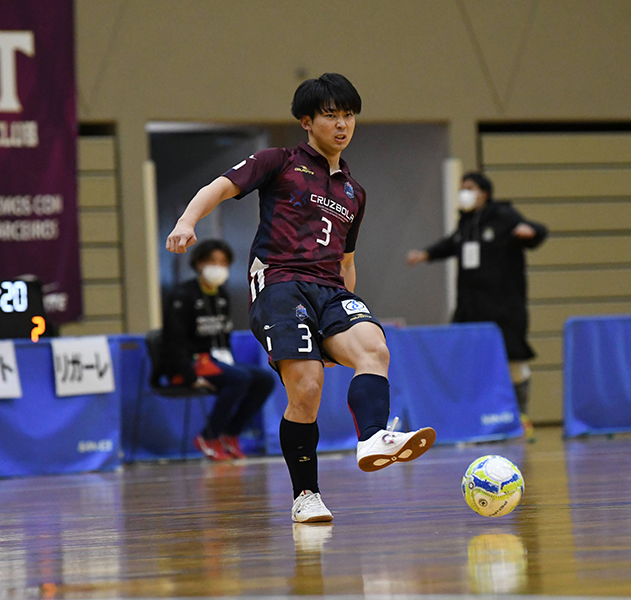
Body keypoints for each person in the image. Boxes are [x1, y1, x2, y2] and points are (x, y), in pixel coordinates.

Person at [166, 73, 436, 523]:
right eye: (331, 115)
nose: (342, 124)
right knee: (307, 388)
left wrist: (337, 326)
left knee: (374, 347)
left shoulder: (354, 192)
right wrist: (186, 221)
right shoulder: (280, 161)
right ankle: (305, 495)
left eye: (348, 115)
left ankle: (373, 437)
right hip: (280, 282)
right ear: (307, 121)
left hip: (331, 290)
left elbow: (347, 261)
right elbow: (220, 186)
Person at [406, 172, 547, 440]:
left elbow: (538, 230)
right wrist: (426, 254)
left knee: (513, 362)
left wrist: (531, 233)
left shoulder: (504, 215)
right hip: (470, 309)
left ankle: (521, 416)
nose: (464, 193)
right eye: (462, 188)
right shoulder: (466, 223)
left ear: (484, 192)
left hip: (504, 309)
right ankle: (476, 419)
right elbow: (450, 244)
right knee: (470, 364)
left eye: (469, 188)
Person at [159, 239, 276, 460]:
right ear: (199, 263)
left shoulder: (221, 295)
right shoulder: (183, 295)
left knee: (264, 380)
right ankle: (208, 436)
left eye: (223, 263)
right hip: (190, 364)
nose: (218, 267)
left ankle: (230, 434)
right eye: (212, 261)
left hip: (216, 360)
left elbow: (223, 335)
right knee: (240, 378)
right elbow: (173, 340)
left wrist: (228, 363)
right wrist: (189, 375)